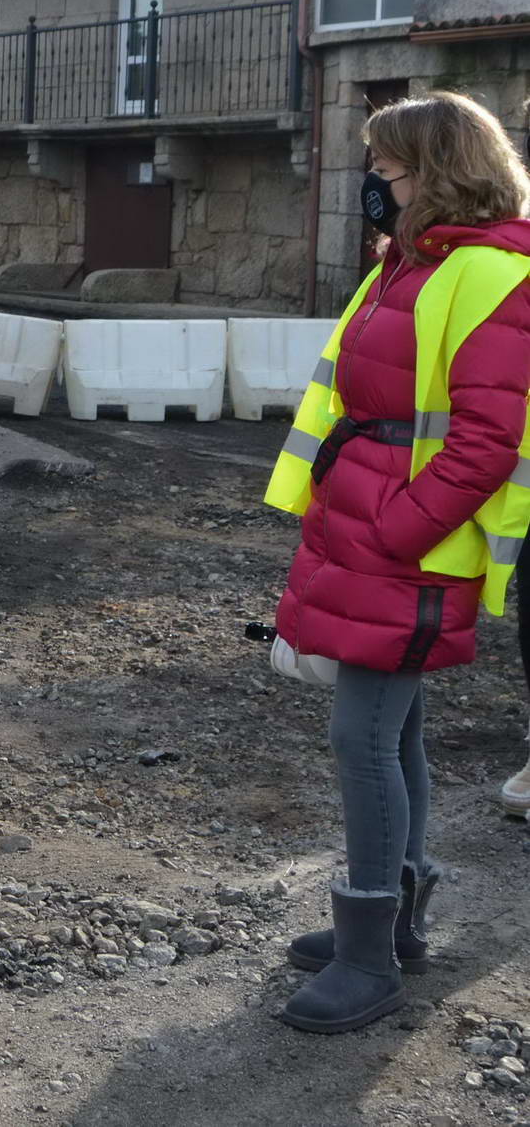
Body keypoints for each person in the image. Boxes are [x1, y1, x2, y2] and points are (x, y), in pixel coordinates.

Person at [266, 91, 530, 1033]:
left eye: (385, 169)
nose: (371, 185)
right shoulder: (414, 264)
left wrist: (393, 531)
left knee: (362, 737)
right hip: (371, 532)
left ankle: (369, 954)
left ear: (437, 170)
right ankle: (398, 918)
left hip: (404, 547)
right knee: (396, 731)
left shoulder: (489, 274)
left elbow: (484, 442)